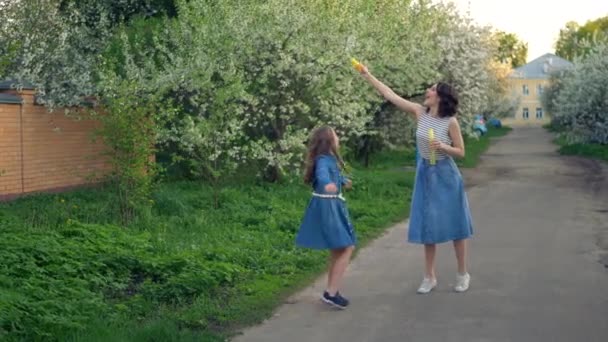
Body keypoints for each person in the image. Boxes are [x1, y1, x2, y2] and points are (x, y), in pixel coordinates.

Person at [357, 64, 473, 294]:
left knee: (456, 224)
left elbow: (461, 152)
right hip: (426, 175)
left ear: (440, 97)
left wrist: (443, 147)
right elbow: (389, 95)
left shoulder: (450, 121)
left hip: (446, 175)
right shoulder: (419, 112)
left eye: (431, 89)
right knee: (428, 225)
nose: (427, 91)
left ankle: (462, 274)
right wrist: (367, 74)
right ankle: (429, 276)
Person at [296, 126, 356, 308]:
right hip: (327, 207)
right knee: (347, 247)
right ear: (328, 140)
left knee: (338, 249)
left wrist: (342, 182)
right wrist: (327, 183)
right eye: (335, 135)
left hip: (332, 205)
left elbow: (331, 174)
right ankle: (331, 293)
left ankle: (332, 290)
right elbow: (322, 174)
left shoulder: (329, 159)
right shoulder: (323, 159)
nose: (338, 138)